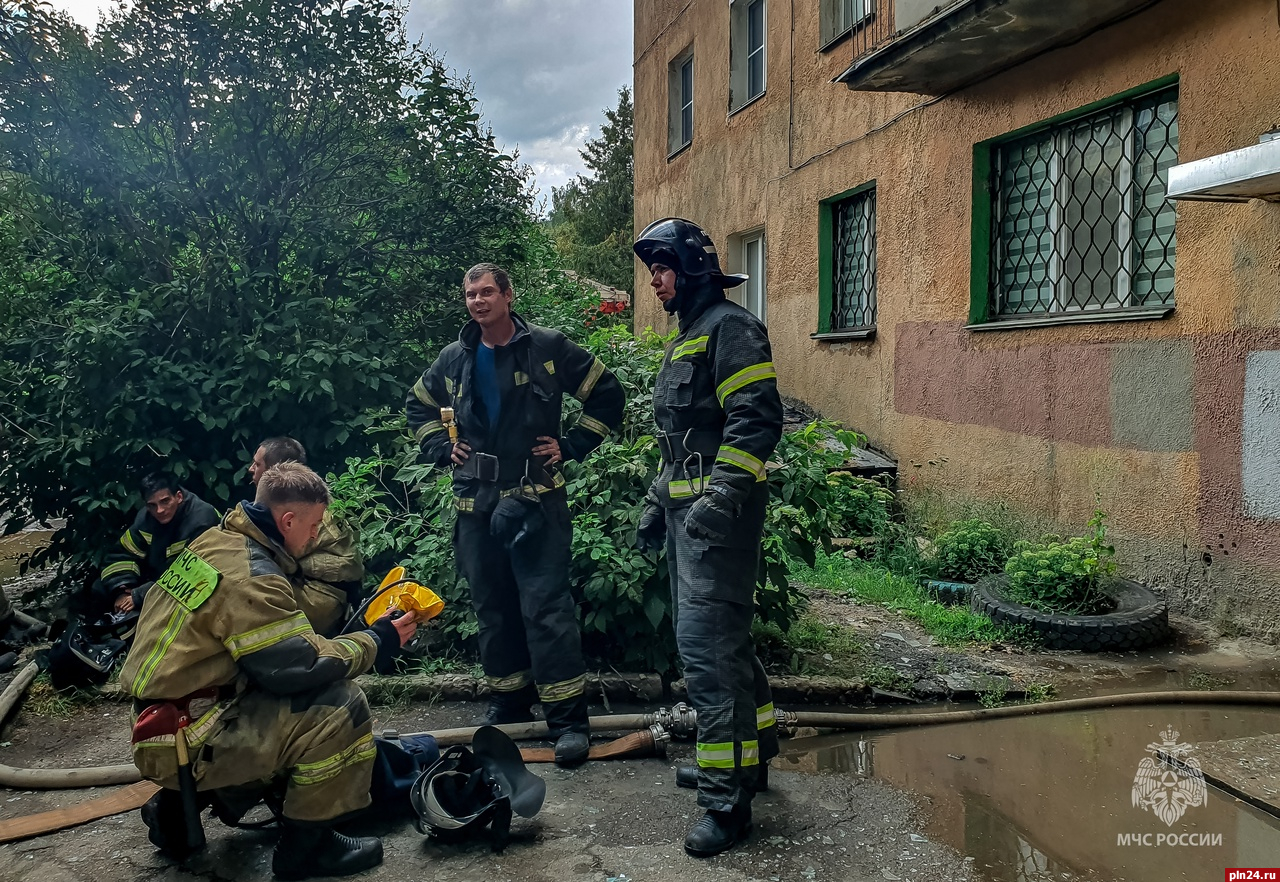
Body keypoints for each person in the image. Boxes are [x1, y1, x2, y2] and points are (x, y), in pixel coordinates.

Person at [120, 462, 418, 880]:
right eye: (313, 526)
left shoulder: (215, 541)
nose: (316, 536)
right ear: (288, 520)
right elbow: (301, 667)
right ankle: (308, 850)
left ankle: (173, 811)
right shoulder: (254, 576)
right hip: (190, 732)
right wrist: (379, 641)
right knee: (338, 707)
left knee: (269, 707)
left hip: (164, 722)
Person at [405, 262, 624, 766]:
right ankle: (508, 701)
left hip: (536, 499)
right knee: (492, 607)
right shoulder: (454, 357)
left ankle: (568, 720)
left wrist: (571, 445)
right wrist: (441, 448)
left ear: (507, 295)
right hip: (475, 504)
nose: (477, 302)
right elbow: (418, 408)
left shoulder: (547, 346)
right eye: (470, 294)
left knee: (546, 609)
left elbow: (608, 395)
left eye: (486, 292)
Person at [632, 218, 784, 857]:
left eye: (662, 268)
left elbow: (757, 420)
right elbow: (681, 441)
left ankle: (726, 803)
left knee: (707, 654)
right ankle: (754, 758)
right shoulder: (689, 335)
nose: (655, 281)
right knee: (725, 644)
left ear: (691, 269)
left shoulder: (731, 329)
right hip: (684, 517)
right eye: (652, 270)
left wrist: (722, 498)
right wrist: (653, 502)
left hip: (717, 522)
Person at [248, 436, 364, 636]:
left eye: (257, 464)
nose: (251, 469)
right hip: (315, 587)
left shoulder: (304, 510)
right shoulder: (306, 499)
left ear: (277, 474)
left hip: (320, 598)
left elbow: (270, 559)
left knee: (249, 602)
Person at [89, 472, 219, 619]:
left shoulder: (202, 519)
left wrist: (138, 596)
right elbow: (121, 555)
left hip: (196, 585)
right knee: (100, 587)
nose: (159, 510)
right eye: (152, 505)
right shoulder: (146, 519)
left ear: (179, 497)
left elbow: (191, 574)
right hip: (156, 581)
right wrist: (122, 590)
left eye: (165, 501)